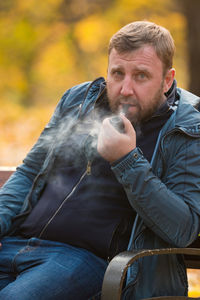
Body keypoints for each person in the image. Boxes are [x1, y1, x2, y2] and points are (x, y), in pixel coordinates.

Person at [0, 20, 200, 300]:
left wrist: (127, 161)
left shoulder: (187, 129)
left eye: (141, 76)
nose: (125, 89)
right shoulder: (78, 100)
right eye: (117, 73)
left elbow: (184, 228)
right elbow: (29, 172)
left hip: (85, 262)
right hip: (16, 245)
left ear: (167, 80)